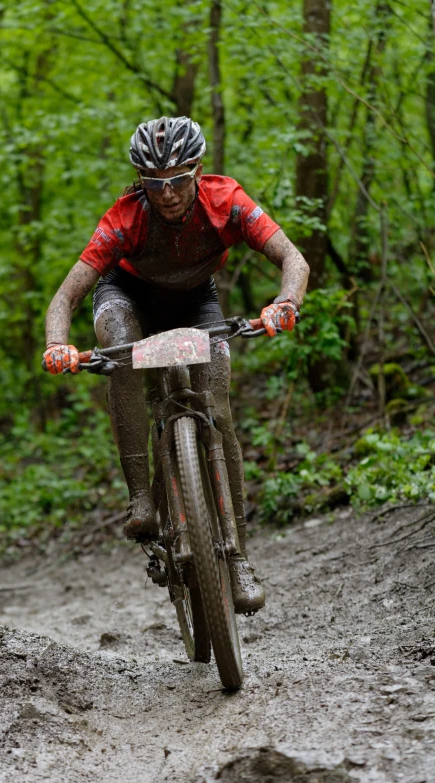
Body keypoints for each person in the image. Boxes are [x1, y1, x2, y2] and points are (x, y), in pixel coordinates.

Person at [44, 116, 309, 614]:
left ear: (197, 171)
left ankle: (238, 559)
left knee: (219, 407)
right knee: (118, 345)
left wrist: (286, 302)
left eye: (178, 181)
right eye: (154, 183)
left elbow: (292, 258)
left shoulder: (226, 200)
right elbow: (65, 295)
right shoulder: (124, 218)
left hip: (195, 301)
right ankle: (142, 499)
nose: (167, 194)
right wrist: (57, 343)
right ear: (141, 183)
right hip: (128, 296)